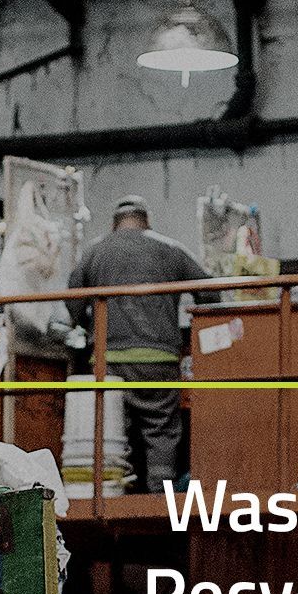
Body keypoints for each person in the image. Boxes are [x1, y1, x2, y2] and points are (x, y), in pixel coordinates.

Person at [66, 196, 214, 494]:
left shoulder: (95, 252)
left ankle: (114, 494)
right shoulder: (170, 249)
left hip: (107, 363)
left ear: (114, 224)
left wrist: (84, 323)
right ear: (147, 222)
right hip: (158, 360)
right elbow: (210, 294)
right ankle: (160, 496)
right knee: (161, 429)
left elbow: (73, 303)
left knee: (114, 432)